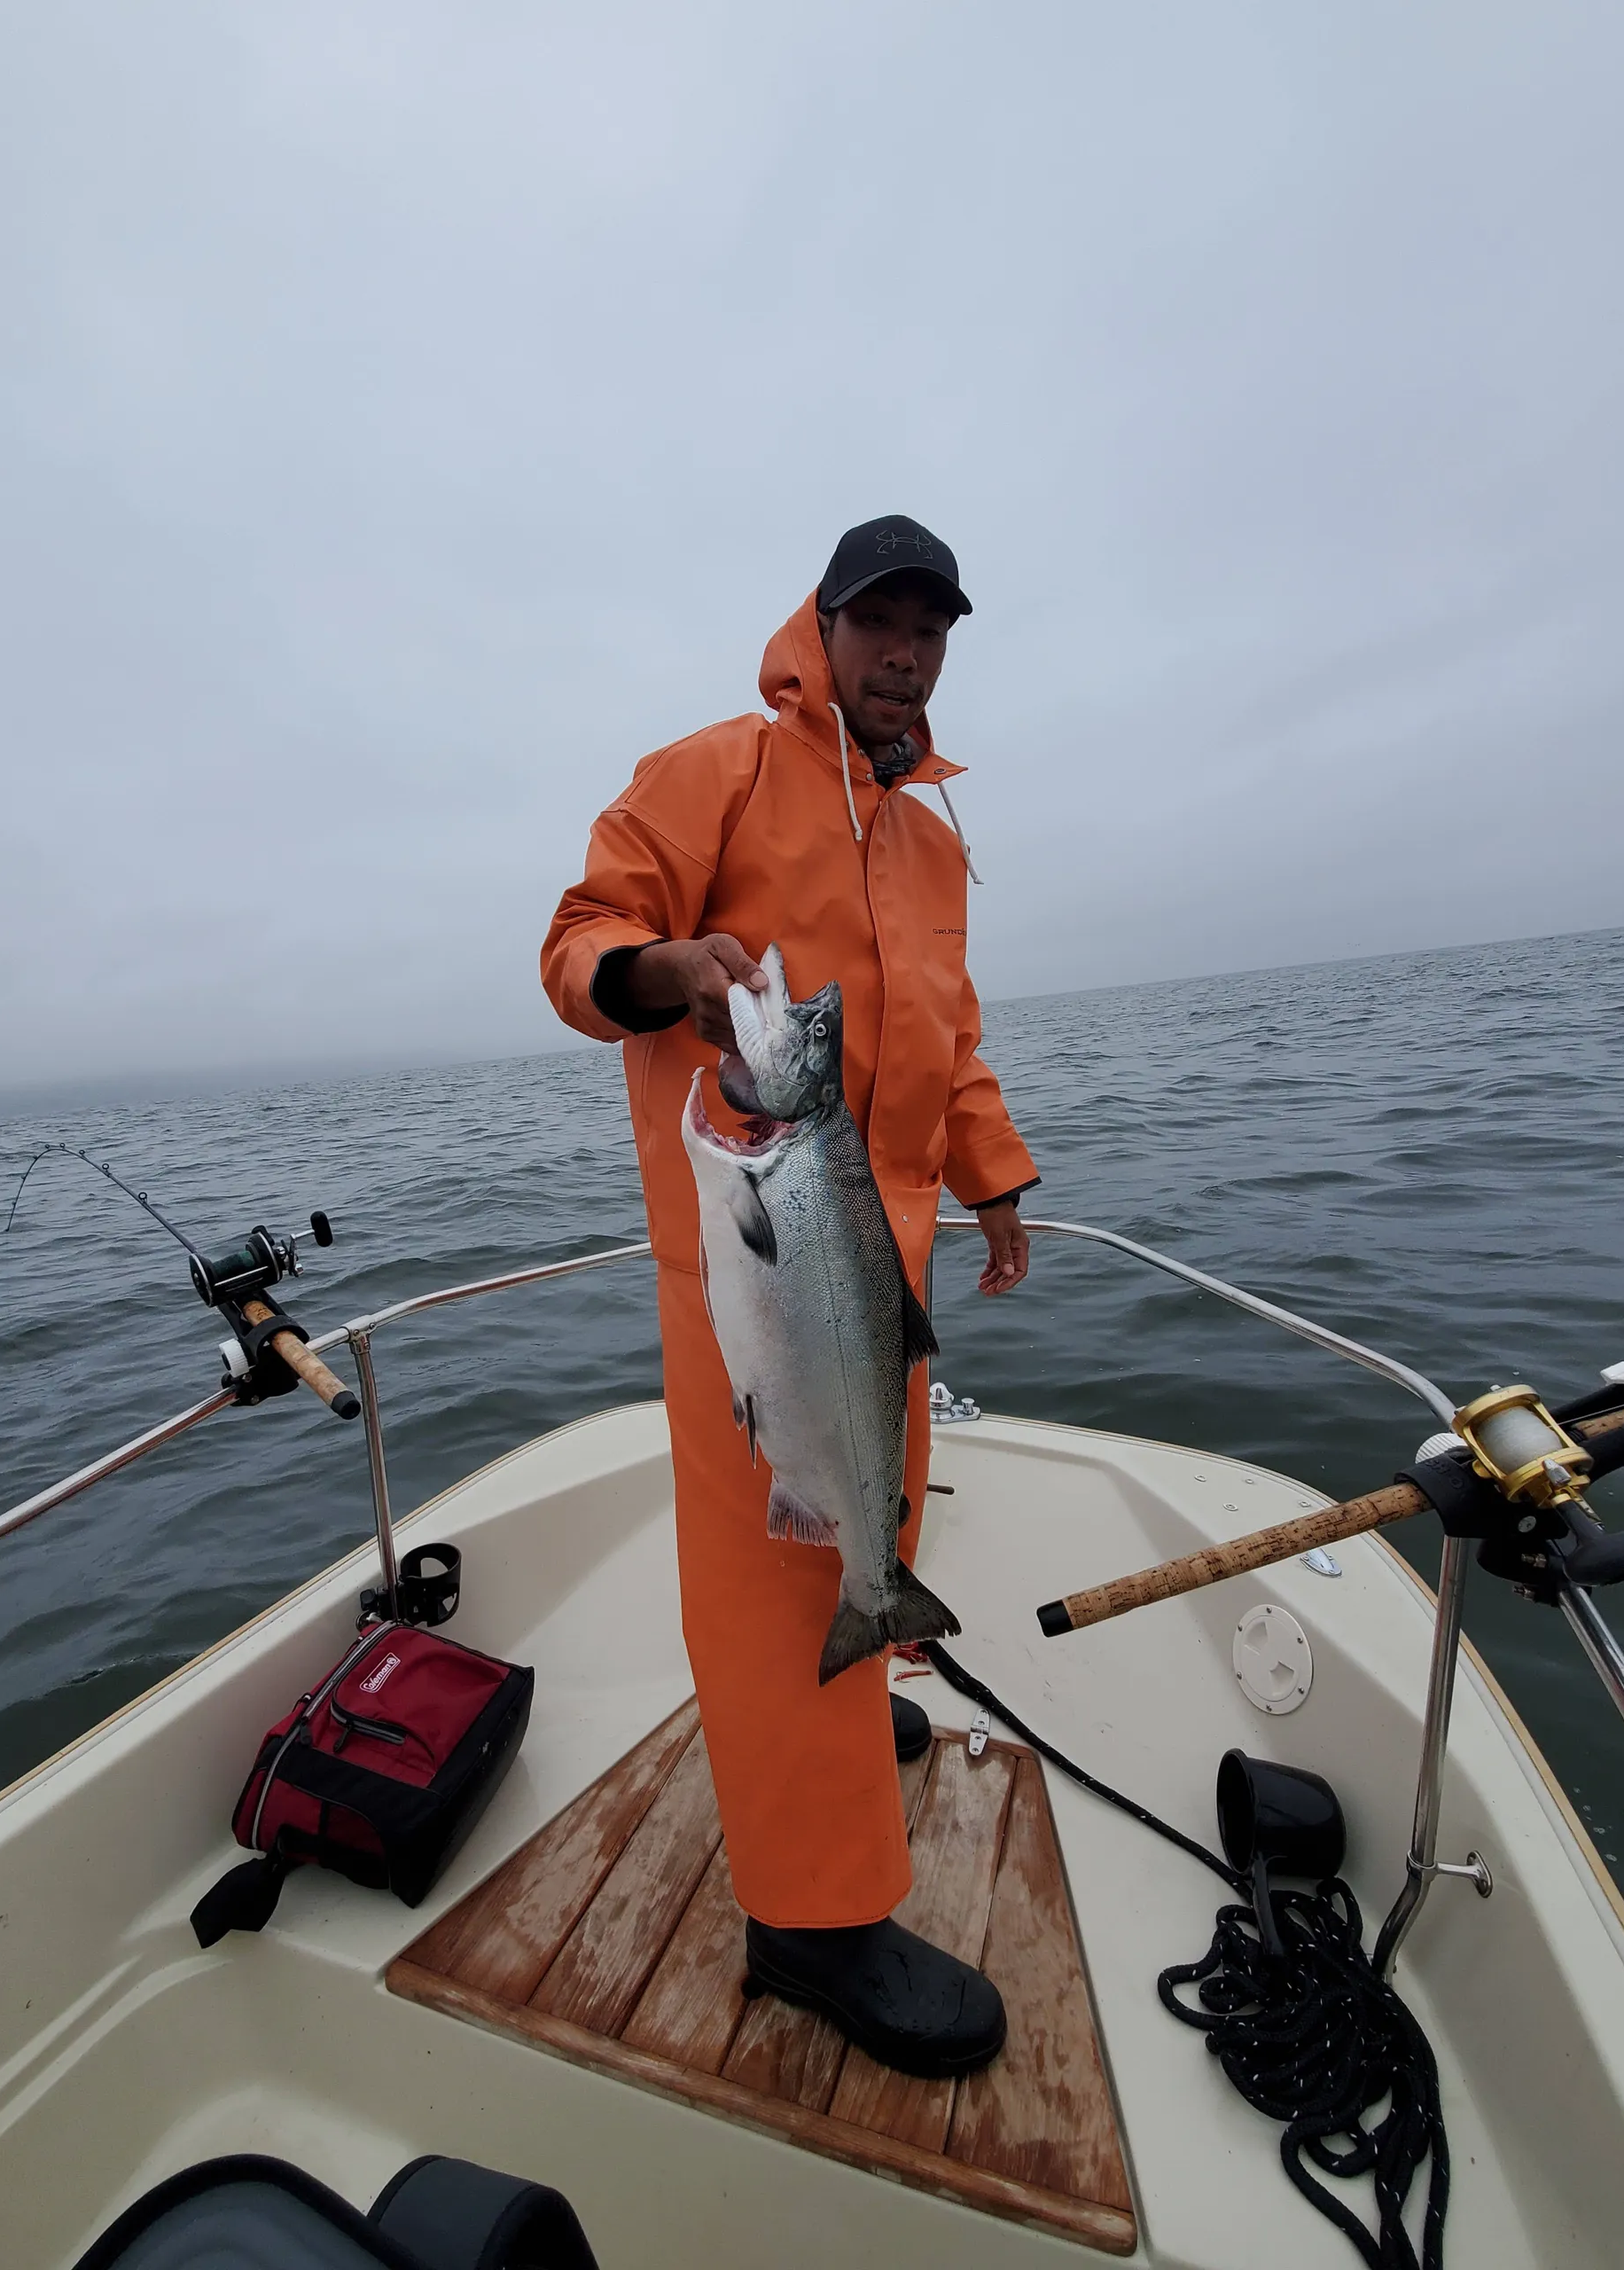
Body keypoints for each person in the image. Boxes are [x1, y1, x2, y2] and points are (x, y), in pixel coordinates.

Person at [542, 516, 1037, 2076]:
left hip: (888, 1259)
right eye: (880, 622)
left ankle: (844, 1693)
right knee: (775, 1572)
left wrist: (992, 1175)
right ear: (820, 628)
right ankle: (810, 1925)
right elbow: (580, 939)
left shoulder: (933, 842)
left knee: (872, 1516)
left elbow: (948, 1036)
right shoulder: (718, 772)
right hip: (748, 1260)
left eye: (931, 631)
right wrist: (663, 972)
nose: (907, 654)